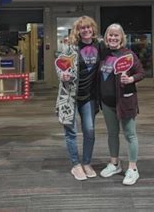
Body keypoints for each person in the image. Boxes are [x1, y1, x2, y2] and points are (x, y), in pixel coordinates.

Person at [55, 16, 105, 181]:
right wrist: (62, 74)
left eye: (88, 27)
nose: (86, 30)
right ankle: (76, 164)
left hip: (89, 96)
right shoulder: (70, 47)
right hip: (69, 96)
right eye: (82, 28)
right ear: (78, 30)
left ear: (93, 29)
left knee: (89, 130)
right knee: (71, 131)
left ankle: (87, 162)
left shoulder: (100, 45)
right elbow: (60, 64)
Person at [98, 23, 145, 185]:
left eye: (116, 35)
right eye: (110, 35)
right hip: (106, 102)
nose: (113, 37)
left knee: (130, 134)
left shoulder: (128, 54)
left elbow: (141, 72)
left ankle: (132, 168)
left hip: (125, 101)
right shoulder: (103, 54)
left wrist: (131, 79)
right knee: (112, 133)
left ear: (121, 38)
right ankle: (114, 164)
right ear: (106, 37)